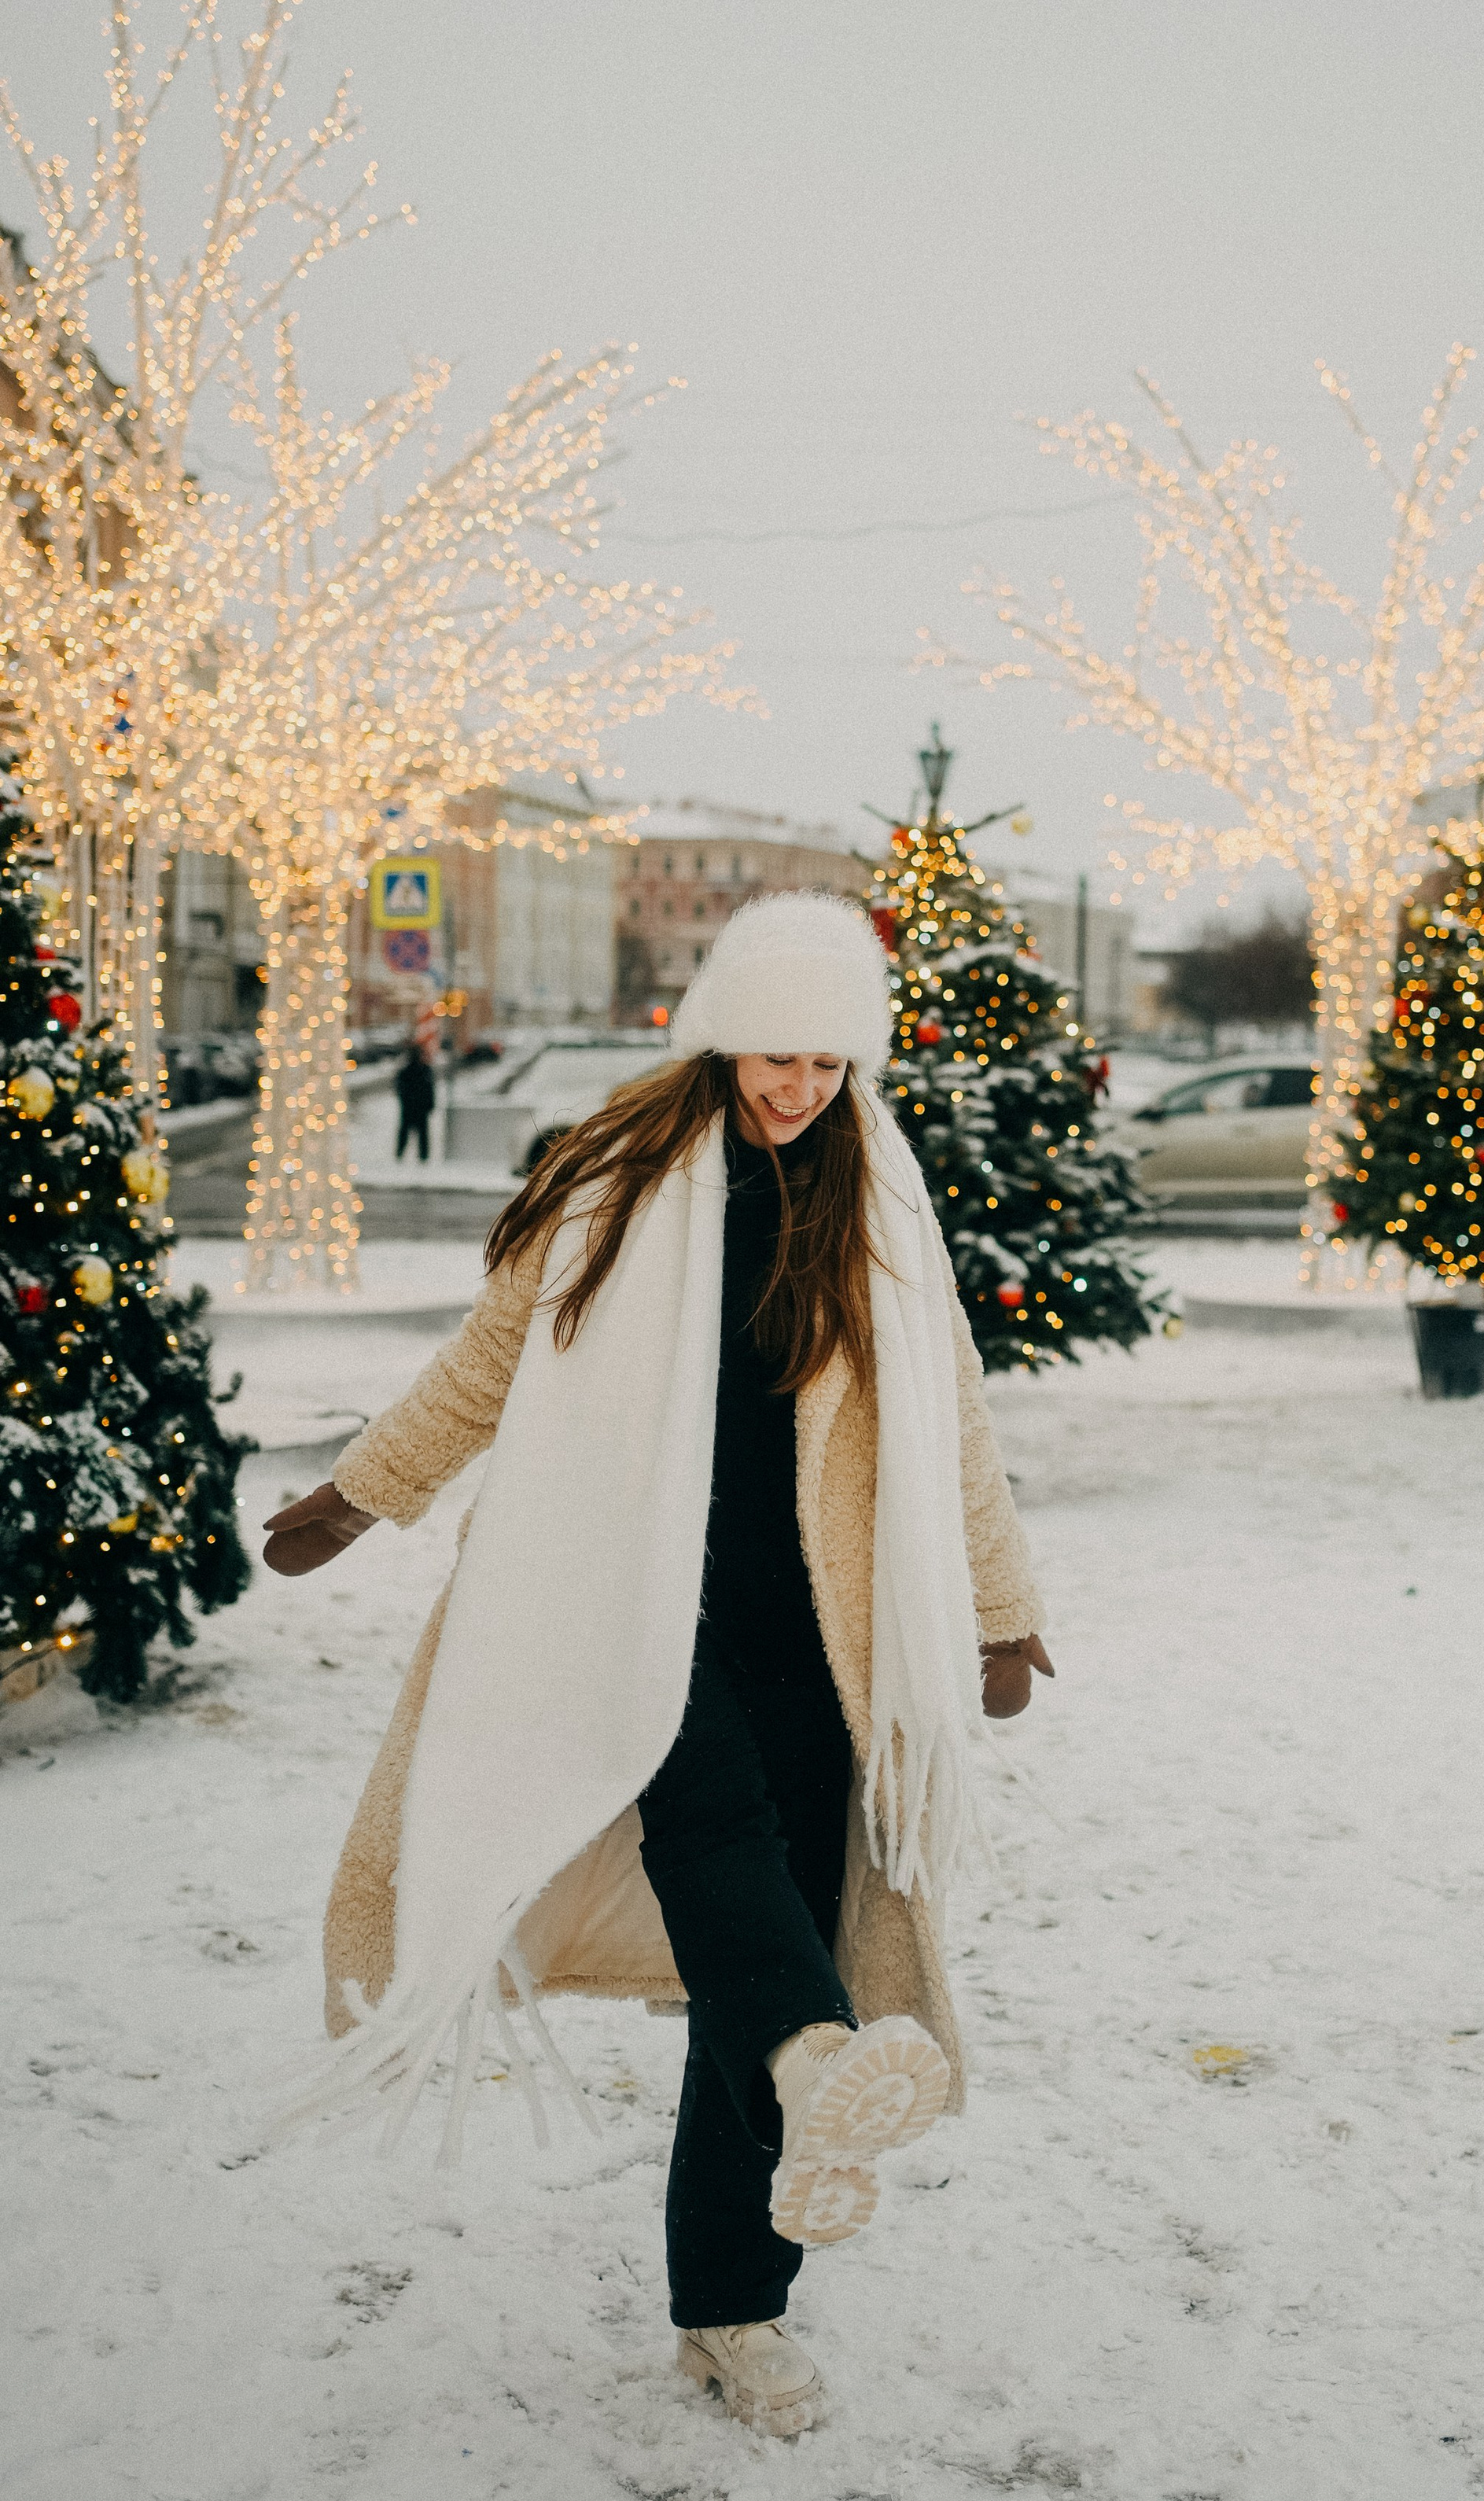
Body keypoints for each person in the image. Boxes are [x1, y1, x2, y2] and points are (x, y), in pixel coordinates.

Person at [263, 894, 1051, 2441]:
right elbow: (491, 1360)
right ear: (717, 1035)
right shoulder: (620, 1178)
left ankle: (732, 2301)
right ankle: (812, 2077)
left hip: (820, 1633)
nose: (799, 1087)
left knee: (759, 1970)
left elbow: (949, 1418)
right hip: (628, 1607)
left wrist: (998, 1611)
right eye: (776, 1053)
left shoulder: (879, 1204)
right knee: (719, 1853)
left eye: (830, 1061)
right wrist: (362, 1492)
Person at [392, 1039, 436, 1163]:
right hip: (415, 1108)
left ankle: (403, 1155)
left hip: (412, 1108)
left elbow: (400, 1089)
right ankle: (420, 1157)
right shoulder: (422, 1071)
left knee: (411, 1134)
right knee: (419, 1135)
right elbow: (429, 1090)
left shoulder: (409, 1071)